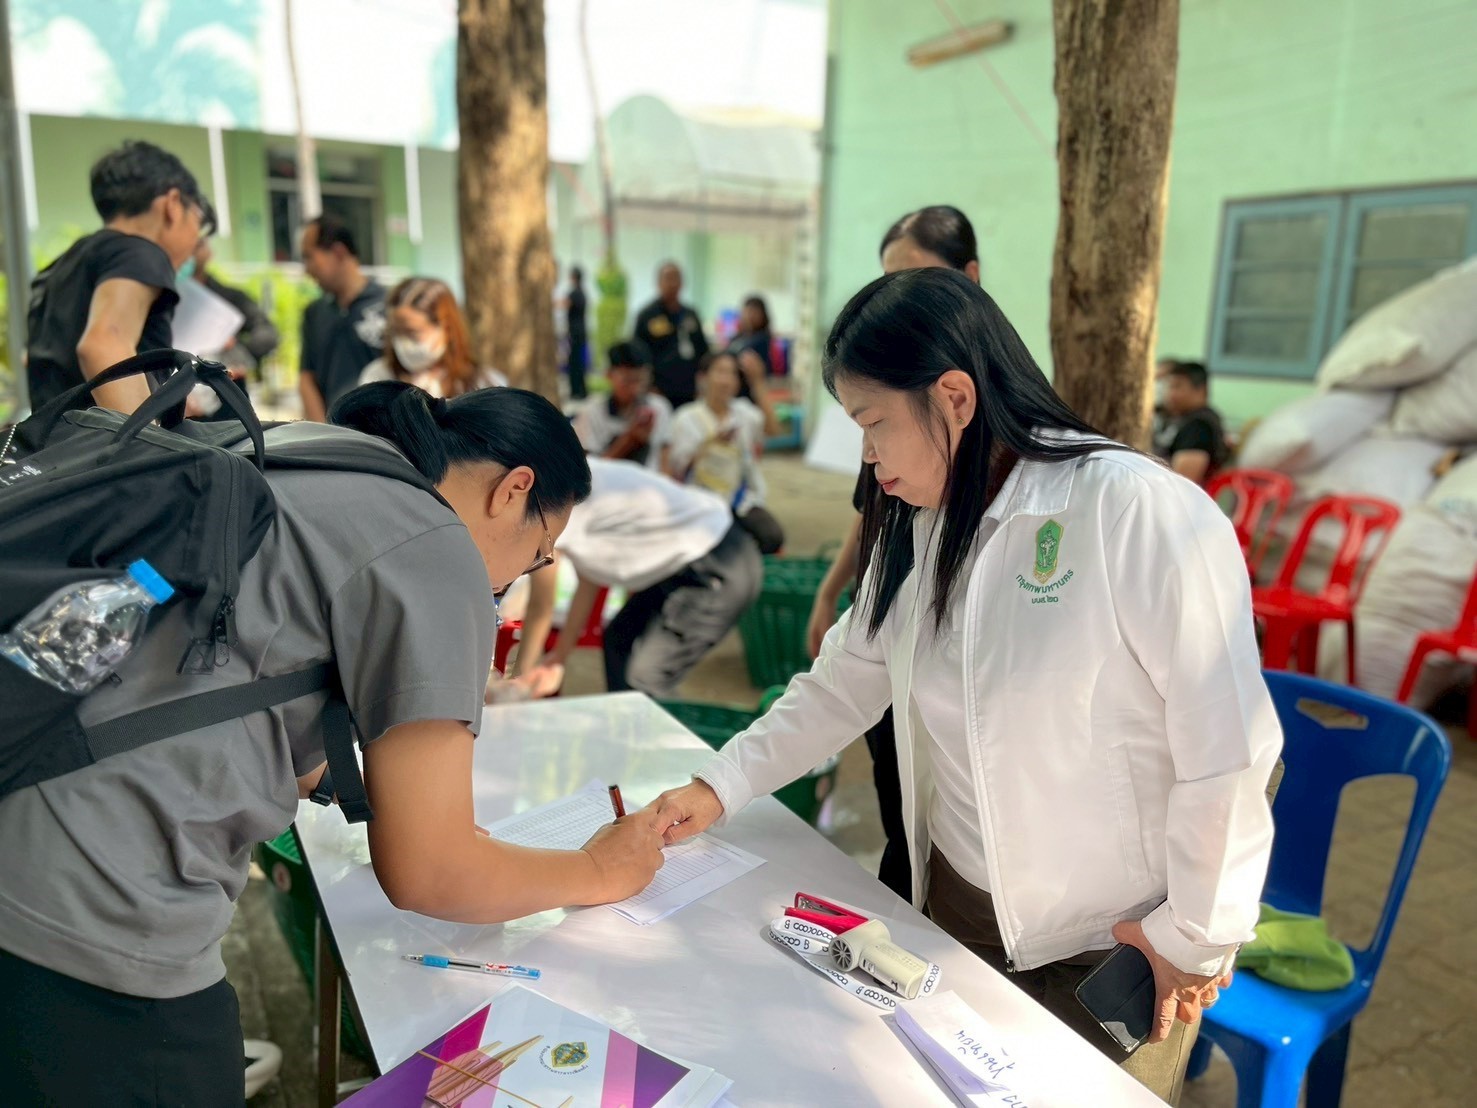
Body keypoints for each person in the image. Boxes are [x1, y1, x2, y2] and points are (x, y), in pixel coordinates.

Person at [649, 267, 1281, 1103]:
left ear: (953, 396)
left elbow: (1229, 746)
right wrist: (718, 786)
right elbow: (841, 684)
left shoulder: (1134, 511)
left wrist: (1192, 937)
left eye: (873, 425)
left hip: (1114, 942)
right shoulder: (919, 526)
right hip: (953, 912)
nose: (868, 459)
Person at [0, 383, 666, 1104]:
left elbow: (236, 662)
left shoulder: (315, 452)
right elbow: (431, 874)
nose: (511, 584)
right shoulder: (433, 545)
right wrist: (600, 869)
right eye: (537, 555)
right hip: (99, 912)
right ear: (513, 489)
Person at [805, 203, 982, 900]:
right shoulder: (907, 485)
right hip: (888, 609)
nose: (895, 304)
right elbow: (839, 684)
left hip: (1062, 921)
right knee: (902, 794)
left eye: (917, 280)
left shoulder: (1116, 505)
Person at [516, 457, 763, 699]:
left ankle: (657, 736)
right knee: (620, 638)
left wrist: (520, 681)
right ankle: (627, 732)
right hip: (700, 557)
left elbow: (541, 606)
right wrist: (557, 659)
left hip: (718, 566)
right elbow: (589, 581)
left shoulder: (553, 500)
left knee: (645, 677)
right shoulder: (576, 473)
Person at [24, 140, 214, 415]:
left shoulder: (66, 263)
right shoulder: (140, 252)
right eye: (198, 219)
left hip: (57, 450)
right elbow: (103, 344)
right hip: (105, 453)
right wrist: (148, 446)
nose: (196, 243)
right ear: (173, 204)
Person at [665, 351, 785, 554]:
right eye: (720, 372)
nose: (727, 380)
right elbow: (677, 470)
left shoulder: (743, 413)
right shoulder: (686, 418)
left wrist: (757, 382)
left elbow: (773, 429)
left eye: (732, 374)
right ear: (703, 378)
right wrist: (710, 444)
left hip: (739, 501)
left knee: (772, 537)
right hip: (699, 501)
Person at [298, 214, 387, 421]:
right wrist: (324, 434)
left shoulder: (389, 306)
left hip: (386, 440)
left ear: (339, 252)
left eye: (309, 257)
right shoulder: (315, 312)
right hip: (334, 440)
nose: (307, 270)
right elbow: (307, 378)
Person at [359, 277, 507, 398]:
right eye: (395, 332)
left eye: (412, 333)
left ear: (446, 329)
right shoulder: (377, 378)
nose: (402, 342)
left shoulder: (485, 384)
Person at [184, 238, 281, 375]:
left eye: (198, 245)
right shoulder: (163, 300)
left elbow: (268, 333)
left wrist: (234, 347)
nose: (190, 252)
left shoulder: (229, 298)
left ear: (209, 252)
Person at [572, 340, 673, 469]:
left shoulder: (659, 407)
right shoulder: (591, 412)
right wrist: (629, 440)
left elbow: (665, 460)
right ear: (609, 375)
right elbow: (590, 472)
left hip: (650, 486)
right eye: (628, 381)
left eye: (641, 380)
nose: (635, 389)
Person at [633, 261, 708, 408]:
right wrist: (648, 386)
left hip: (689, 390)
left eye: (676, 278)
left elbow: (702, 350)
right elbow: (638, 355)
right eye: (668, 278)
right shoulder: (647, 315)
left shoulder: (690, 314)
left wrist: (703, 384)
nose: (672, 283)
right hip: (658, 390)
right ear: (658, 282)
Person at [1155, 361, 1229, 487]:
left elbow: (1181, 482)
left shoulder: (1199, 427)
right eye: (1168, 386)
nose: (1170, 394)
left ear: (1200, 390)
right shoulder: (1179, 417)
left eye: (1177, 386)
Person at [564, 265, 590, 400]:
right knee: (578, 362)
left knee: (574, 363)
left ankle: (577, 391)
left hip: (575, 334)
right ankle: (581, 391)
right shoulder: (582, 292)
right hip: (581, 332)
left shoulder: (575, 293)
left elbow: (564, 304)